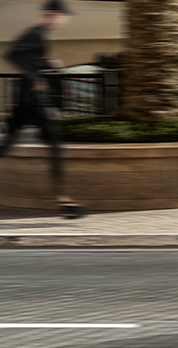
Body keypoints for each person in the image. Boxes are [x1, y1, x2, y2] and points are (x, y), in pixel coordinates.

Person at [1, 0, 83, 218]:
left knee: (6, 147)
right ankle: (64, 201)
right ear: (51, 14)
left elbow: (28, 58)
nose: (64, 19)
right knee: (56, 145)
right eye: (62, 15)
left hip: (27, 101)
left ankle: (64, 200)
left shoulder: (40, 34)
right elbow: (12, 55)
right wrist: (34, 77)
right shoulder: (35, 33)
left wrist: (47, 62)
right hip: (31, 101)